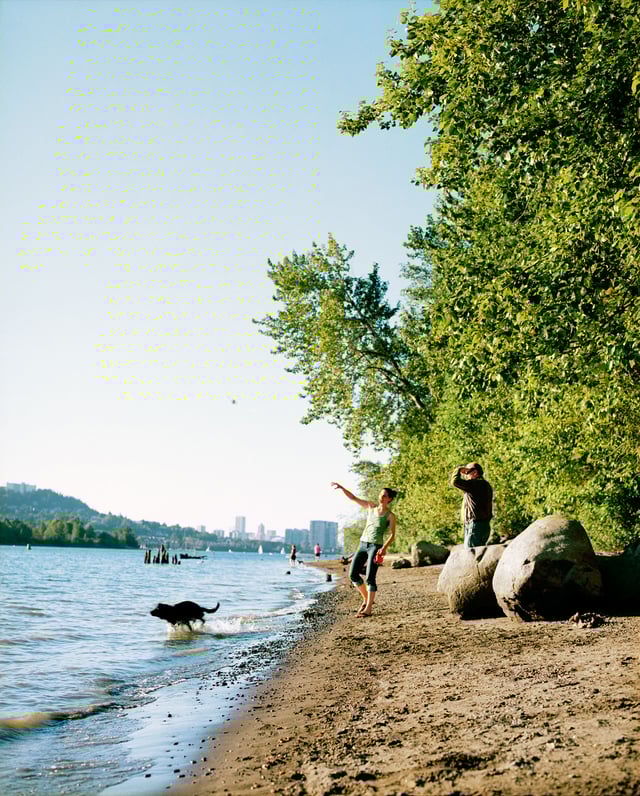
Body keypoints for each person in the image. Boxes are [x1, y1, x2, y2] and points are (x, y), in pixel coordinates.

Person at [331, 482, 397, 617]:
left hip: (375, 546)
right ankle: (367, 599)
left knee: (370, 577)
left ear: (389, 499)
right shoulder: (371, 506)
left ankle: (368, 609)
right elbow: (353, 498)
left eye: (384, 496)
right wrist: (342, 488)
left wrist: (384, 548)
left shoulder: (390, 515)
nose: (381, 497)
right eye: (380, 494)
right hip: (362, 544)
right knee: (353, 574)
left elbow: (392, 535)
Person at [450, 462, 493, 547]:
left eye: (467, 472)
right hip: (482, 525)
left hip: (475, 525)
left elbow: (455, 482)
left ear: (475, 473)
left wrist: (458, 470)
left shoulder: (475, 484)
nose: (465, 476)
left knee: (470, 553)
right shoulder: (484, 485)